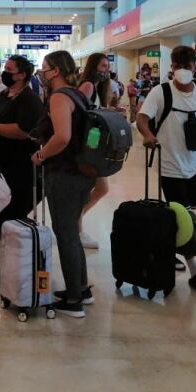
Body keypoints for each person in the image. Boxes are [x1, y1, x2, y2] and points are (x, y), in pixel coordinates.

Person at [136, 45, 196, 290]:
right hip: (170, 165)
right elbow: (141, 118)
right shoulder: (160, 92)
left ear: (195, 68)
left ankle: (168, 250)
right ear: (172, 68)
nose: (183, 71)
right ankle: (195, 268)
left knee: (183, 213)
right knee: (183, 214)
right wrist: (149, 135)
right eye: (178, 66)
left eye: (187, 67)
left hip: (195, 166)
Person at [31, 50, 94, 318]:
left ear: (55, 70)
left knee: (65, 234)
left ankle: (73, 300)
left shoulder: (59, 96)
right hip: (82, 172)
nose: (42, 72)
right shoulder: (79, 94)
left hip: (64, 173)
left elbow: (63, 137)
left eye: (44, 68)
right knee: (72, 232)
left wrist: (41, 155)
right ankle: (80, 288)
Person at [0, 55, 45, 224]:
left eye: (9, 70)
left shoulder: (29, 99)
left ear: (21, 75)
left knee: (12, 211)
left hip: (18, 164)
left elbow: (24, 130)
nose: (4, 74)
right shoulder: (5, 94)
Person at [76, 52, 116, 249]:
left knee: (101, 188)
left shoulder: (99, 89)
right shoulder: (88, 86)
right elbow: (78, 113)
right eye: (102, 66)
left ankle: (77, 223)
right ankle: (77, 228)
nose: (105, 70)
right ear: (93, 67)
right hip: (88, 147)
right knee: (97, 188)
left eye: (107, 66)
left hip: (95, 145)